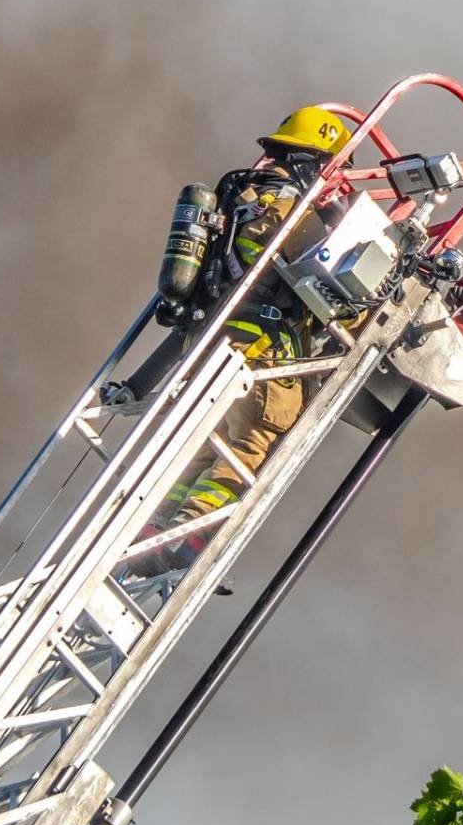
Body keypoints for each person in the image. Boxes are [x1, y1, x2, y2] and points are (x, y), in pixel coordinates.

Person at [118, 106, 351, 578]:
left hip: (206, 351)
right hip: (261, 359)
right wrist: (338, 227)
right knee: (247, 447)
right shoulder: (291, 215)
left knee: (205, 448)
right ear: (315, 161)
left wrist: (140, 383)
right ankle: (185, 536)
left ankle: (152, 534)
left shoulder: (234, 204)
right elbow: (335, 290)